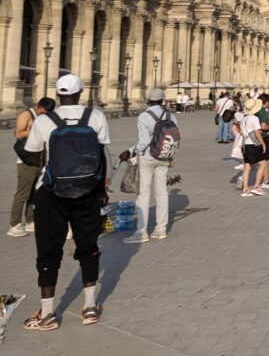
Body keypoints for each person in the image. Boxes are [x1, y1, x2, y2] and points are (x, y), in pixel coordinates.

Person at [21, 74, 112, 331]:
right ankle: (91, 307)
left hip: (52, 192)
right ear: (81, 93)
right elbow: (103, 154)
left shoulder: (45, 120)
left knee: (48, 250)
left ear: (58, 95)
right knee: (89, 247)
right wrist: (102, 189)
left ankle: (48, 313)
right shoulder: (96, 117)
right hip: (89, 191)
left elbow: (33, 153)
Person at [125, 88, 177, 243]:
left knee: (143, 193)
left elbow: (143, 141)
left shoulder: (144, 116)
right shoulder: (171, 116)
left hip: (148, 156)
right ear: (162, 100)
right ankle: (160, 229)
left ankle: (141, 232)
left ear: (149, 100)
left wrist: (134, 152)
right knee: (161, 193)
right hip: (164, 156)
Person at [9, 97, 55, 238]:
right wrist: (37, 129)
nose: (44, 115)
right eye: (44, 112)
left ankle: (30, 221)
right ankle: (14, 224)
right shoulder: (26, 114)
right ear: (39, 107)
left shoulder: (44, 116)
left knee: (34, 192)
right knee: (23, 193)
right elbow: (18, 133)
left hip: (39, 159)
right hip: (26, 161)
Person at [239, 99, 267, 196]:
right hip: (253, 145)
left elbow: (241, 132)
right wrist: (262, 143)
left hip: (245, 144)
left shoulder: (244, 118)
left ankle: (245, 189)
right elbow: (257, 133)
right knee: (263, 164)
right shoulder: (254, 118)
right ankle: (256, 186)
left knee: (247, 167)